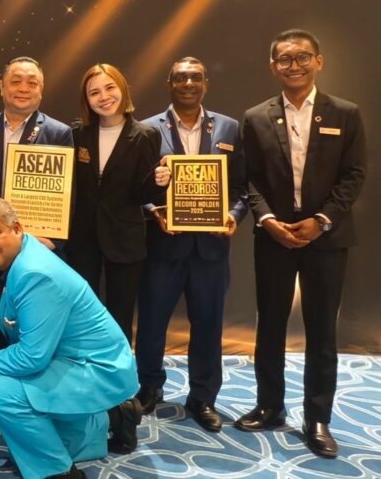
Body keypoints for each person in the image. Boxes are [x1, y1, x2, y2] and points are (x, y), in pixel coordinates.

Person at [0, 198, 141, 479]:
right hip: (69, 360)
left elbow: (32, 356)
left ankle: (58, 472)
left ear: (17, 228)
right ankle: (114, 417)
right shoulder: (9, 262)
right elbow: (3, 315)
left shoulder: (35, 273)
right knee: (23, 412)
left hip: (98, 368)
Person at [235, 29, 366, 458]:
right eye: (285, 59)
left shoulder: (345, 113)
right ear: (273, 66)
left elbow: (354, 175)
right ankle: (269, 406)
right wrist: (268, 220)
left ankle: (318, 418)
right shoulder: (255, 117)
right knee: (270, 326)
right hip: (274, 237)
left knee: (322, 331)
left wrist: (322, 221)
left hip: (326, 239)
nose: (294, 65)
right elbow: (248, 179)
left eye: (302, 57)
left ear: (318, 61)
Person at [135, 57, 248, 432]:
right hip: (163, 247)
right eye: (181, 78)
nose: (188, 83)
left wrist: (233, 215)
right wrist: (153, 211)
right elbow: (136, 187)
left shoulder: (228, 127)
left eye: (195, 77)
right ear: (169, 83)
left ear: (206, 83)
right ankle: (149, 387)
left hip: (211, 250)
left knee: (209, 325)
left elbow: (241, 187)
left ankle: (203, 397)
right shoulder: (148, 129)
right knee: (152, 323)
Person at [0, 56, 73, 352]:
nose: (23, 88)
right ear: (2, 87)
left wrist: (53, 239)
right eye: (16, 82)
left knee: (36, 321)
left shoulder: (58, 132)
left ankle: (34, 375)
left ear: (41, 89)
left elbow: (69, 193)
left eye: (32, 83)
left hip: (36, 244)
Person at [66, 63, 167, 344]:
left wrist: (160, 182)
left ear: (122, 88)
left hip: (124, 238)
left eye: (109, 87)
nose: (104, 97)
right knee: (81, 314)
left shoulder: (145, 135)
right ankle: (83, 369)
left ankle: (118, 372)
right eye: (94, 92)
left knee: (120, 316)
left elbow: (141, 195)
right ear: (86, 99)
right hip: (82, 238)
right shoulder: (77, 133)